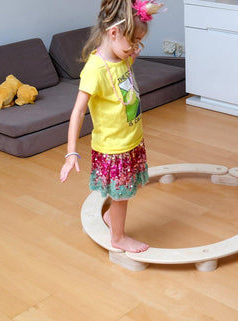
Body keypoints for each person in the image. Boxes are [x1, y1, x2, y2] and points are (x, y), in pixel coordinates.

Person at [60, 0, 164, 253]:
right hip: (113, 147)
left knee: (128, 189)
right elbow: (77, 111)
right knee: (121, 197)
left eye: (140, 42)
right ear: (114, 33)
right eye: (133, 42)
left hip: (130, 140)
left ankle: (110, 221)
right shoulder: (94, 70)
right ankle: (118, 237)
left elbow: (119, 86)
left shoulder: (121, 57)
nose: (136, 48)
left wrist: (131, 57)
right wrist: (71, 152)